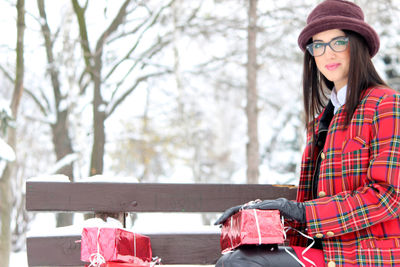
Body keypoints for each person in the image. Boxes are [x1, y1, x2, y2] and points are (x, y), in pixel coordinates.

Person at [214, 0, 400, 266]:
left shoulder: (387, 105)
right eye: (318, 45)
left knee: (241, 264)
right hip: (323, 252)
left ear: (358, 45)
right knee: (236, 259)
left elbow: (389, 196)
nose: (327, 53)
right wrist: (261, 212)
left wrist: (300, 211)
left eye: (338, 42)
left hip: (369, 255)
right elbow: (312, 208)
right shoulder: (321, 123)